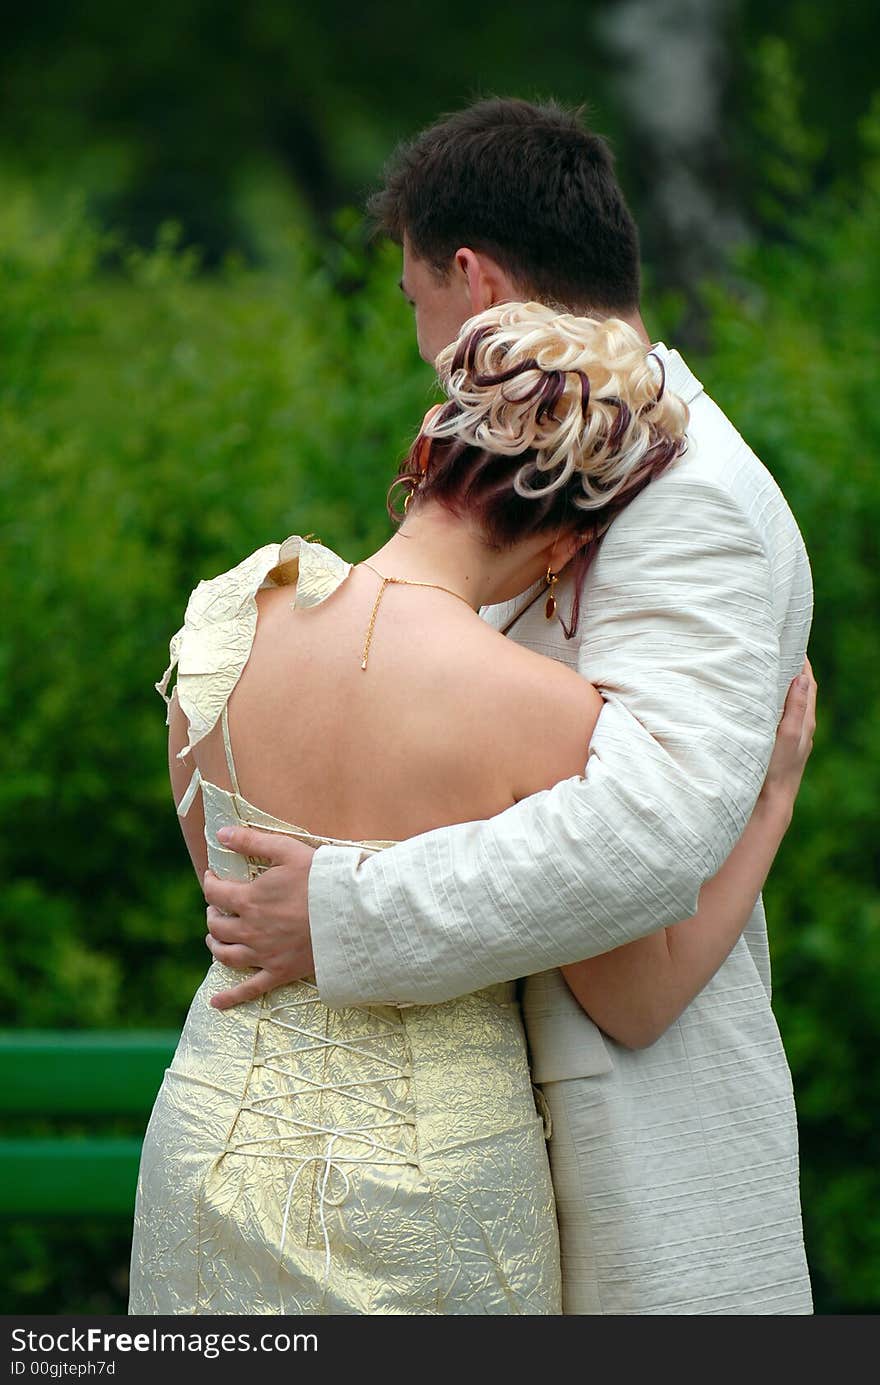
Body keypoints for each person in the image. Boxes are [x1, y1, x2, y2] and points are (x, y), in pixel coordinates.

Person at [200, 99, 815, 1315]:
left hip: (624, 1142)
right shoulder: (551, 458)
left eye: (413, 294)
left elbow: (642, 835)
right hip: (441, 1133)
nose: (420, 339)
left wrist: (339, 909)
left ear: (470, 277)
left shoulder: (693, 497)